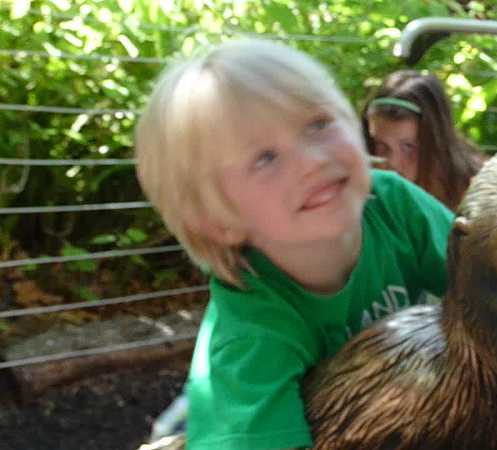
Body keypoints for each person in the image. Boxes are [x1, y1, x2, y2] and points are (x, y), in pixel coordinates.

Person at [135, 39, 453, 449]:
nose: (313, 160)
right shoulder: (250, 340)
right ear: (218, 220)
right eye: (264, 158)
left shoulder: (393, 205)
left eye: (318, 124)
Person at [362, 70, 484, 210]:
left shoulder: (476, 192)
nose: (392, 162)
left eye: (409, 146)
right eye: (380, 145)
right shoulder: (363, 192)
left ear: (437, 143)